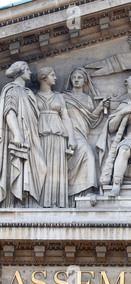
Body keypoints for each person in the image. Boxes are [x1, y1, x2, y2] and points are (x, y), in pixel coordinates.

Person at [0, 61, 47, 207]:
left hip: (31, 135)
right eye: (27, 69)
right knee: (19, 164)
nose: (30, 72)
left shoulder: (27, 92)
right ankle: (18, 199)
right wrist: (17, 134)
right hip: (20, 136)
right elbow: (9, 112)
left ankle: (29, 197)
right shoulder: (13, 89)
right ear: (19, 72)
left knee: (40, 166)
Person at [63, 67, 107, 205]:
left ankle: (83, 190)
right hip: (67, 133)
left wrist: (100, 107)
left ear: (85, 81)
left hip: (82, 133)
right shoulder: (64, 97)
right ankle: (84, 190)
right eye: (74, 77)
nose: (76, 80)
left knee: (88, 155)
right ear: (70, 79)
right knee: (89, 155)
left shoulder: (88, 99)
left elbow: (92, 119)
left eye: (80, 77)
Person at [36, 67, 77, 208]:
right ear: (44, 78)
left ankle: (57, 202)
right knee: (42, 168)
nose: (56, 77)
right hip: (40, 136)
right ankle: (42, 201)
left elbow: (66, 119)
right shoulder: (33, 97)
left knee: (57, 169)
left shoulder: (59, 97)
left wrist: (71, 138)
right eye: (52, 75)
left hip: (59, 136)